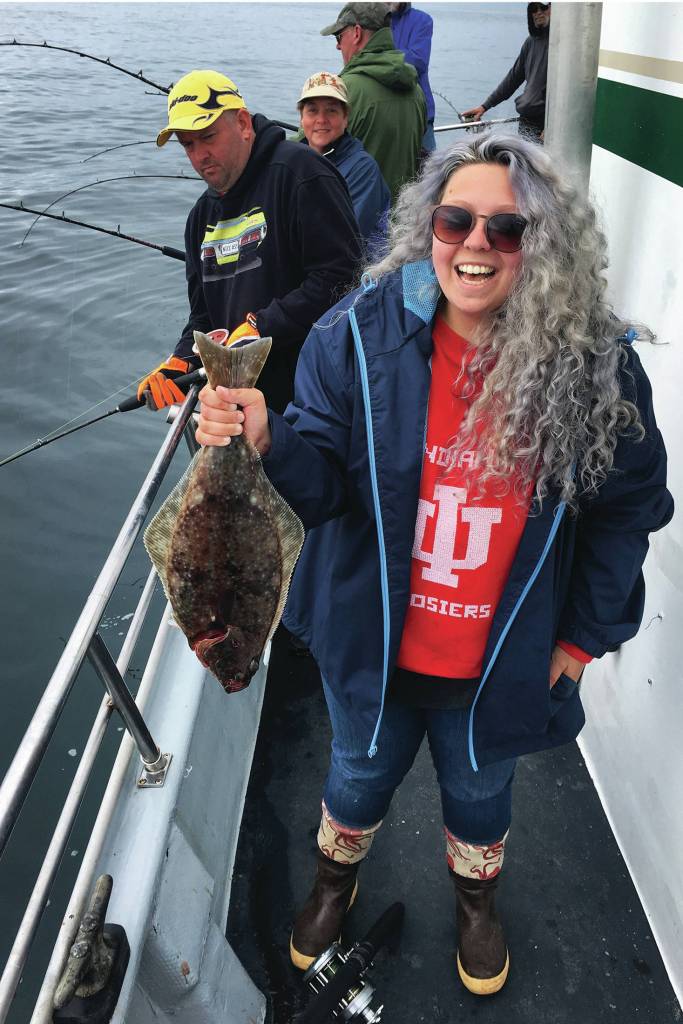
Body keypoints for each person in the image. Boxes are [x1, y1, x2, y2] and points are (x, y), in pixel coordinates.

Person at [195, 135, 673, 995]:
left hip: (503, 657)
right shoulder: (356, 331)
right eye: (455, 220)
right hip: (373, 647)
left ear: (546, 245)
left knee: (481, 791)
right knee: (356, 772)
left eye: (508, 227)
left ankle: (475, 903)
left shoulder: (596, 368)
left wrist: (582, 638)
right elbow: (324, 485)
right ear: (429, 228)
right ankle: (334, 883)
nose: (476, 242)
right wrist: (267, 441)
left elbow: (625, 513)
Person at [137, 69, 362, 415]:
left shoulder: (302, 174)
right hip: (234, 410)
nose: (199, 156)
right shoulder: (199, 218)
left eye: (208, 136)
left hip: (310, 404)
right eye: (188, 144)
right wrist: (180, 358)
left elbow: (342, 278)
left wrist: (262, 325)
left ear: (243, 123)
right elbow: (203, 318)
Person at [321, 1, 427, 203]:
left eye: (339, 36)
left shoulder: (344, 89)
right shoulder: (416, 91)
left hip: (354, 221)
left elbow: (307, 154)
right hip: (400, 223)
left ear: (357, 33)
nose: (337, 45)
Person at [298, 71, 390, 255]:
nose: (321, 120)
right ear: (301, 118)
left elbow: (344, 240)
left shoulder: (363, 169)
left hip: (354, 275)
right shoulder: (293, 161)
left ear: (345, 118)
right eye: (312, 110)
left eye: (331, 110)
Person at [462, 3, 551, 140]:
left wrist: (551, 126)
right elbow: (513, 79)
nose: (538, 12)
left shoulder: (561, 44)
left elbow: (569, 90)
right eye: (534, 9)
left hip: (546, 125)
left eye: (543, 7)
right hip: (526, 121)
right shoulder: (530, 42)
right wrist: (485, 106)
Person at [389, 2, 436, 152]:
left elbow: (418, 62)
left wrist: (379, 55)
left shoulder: (423, 20)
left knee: (430, 171)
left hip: (420, 116)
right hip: (385, 114)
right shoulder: (368, 23)